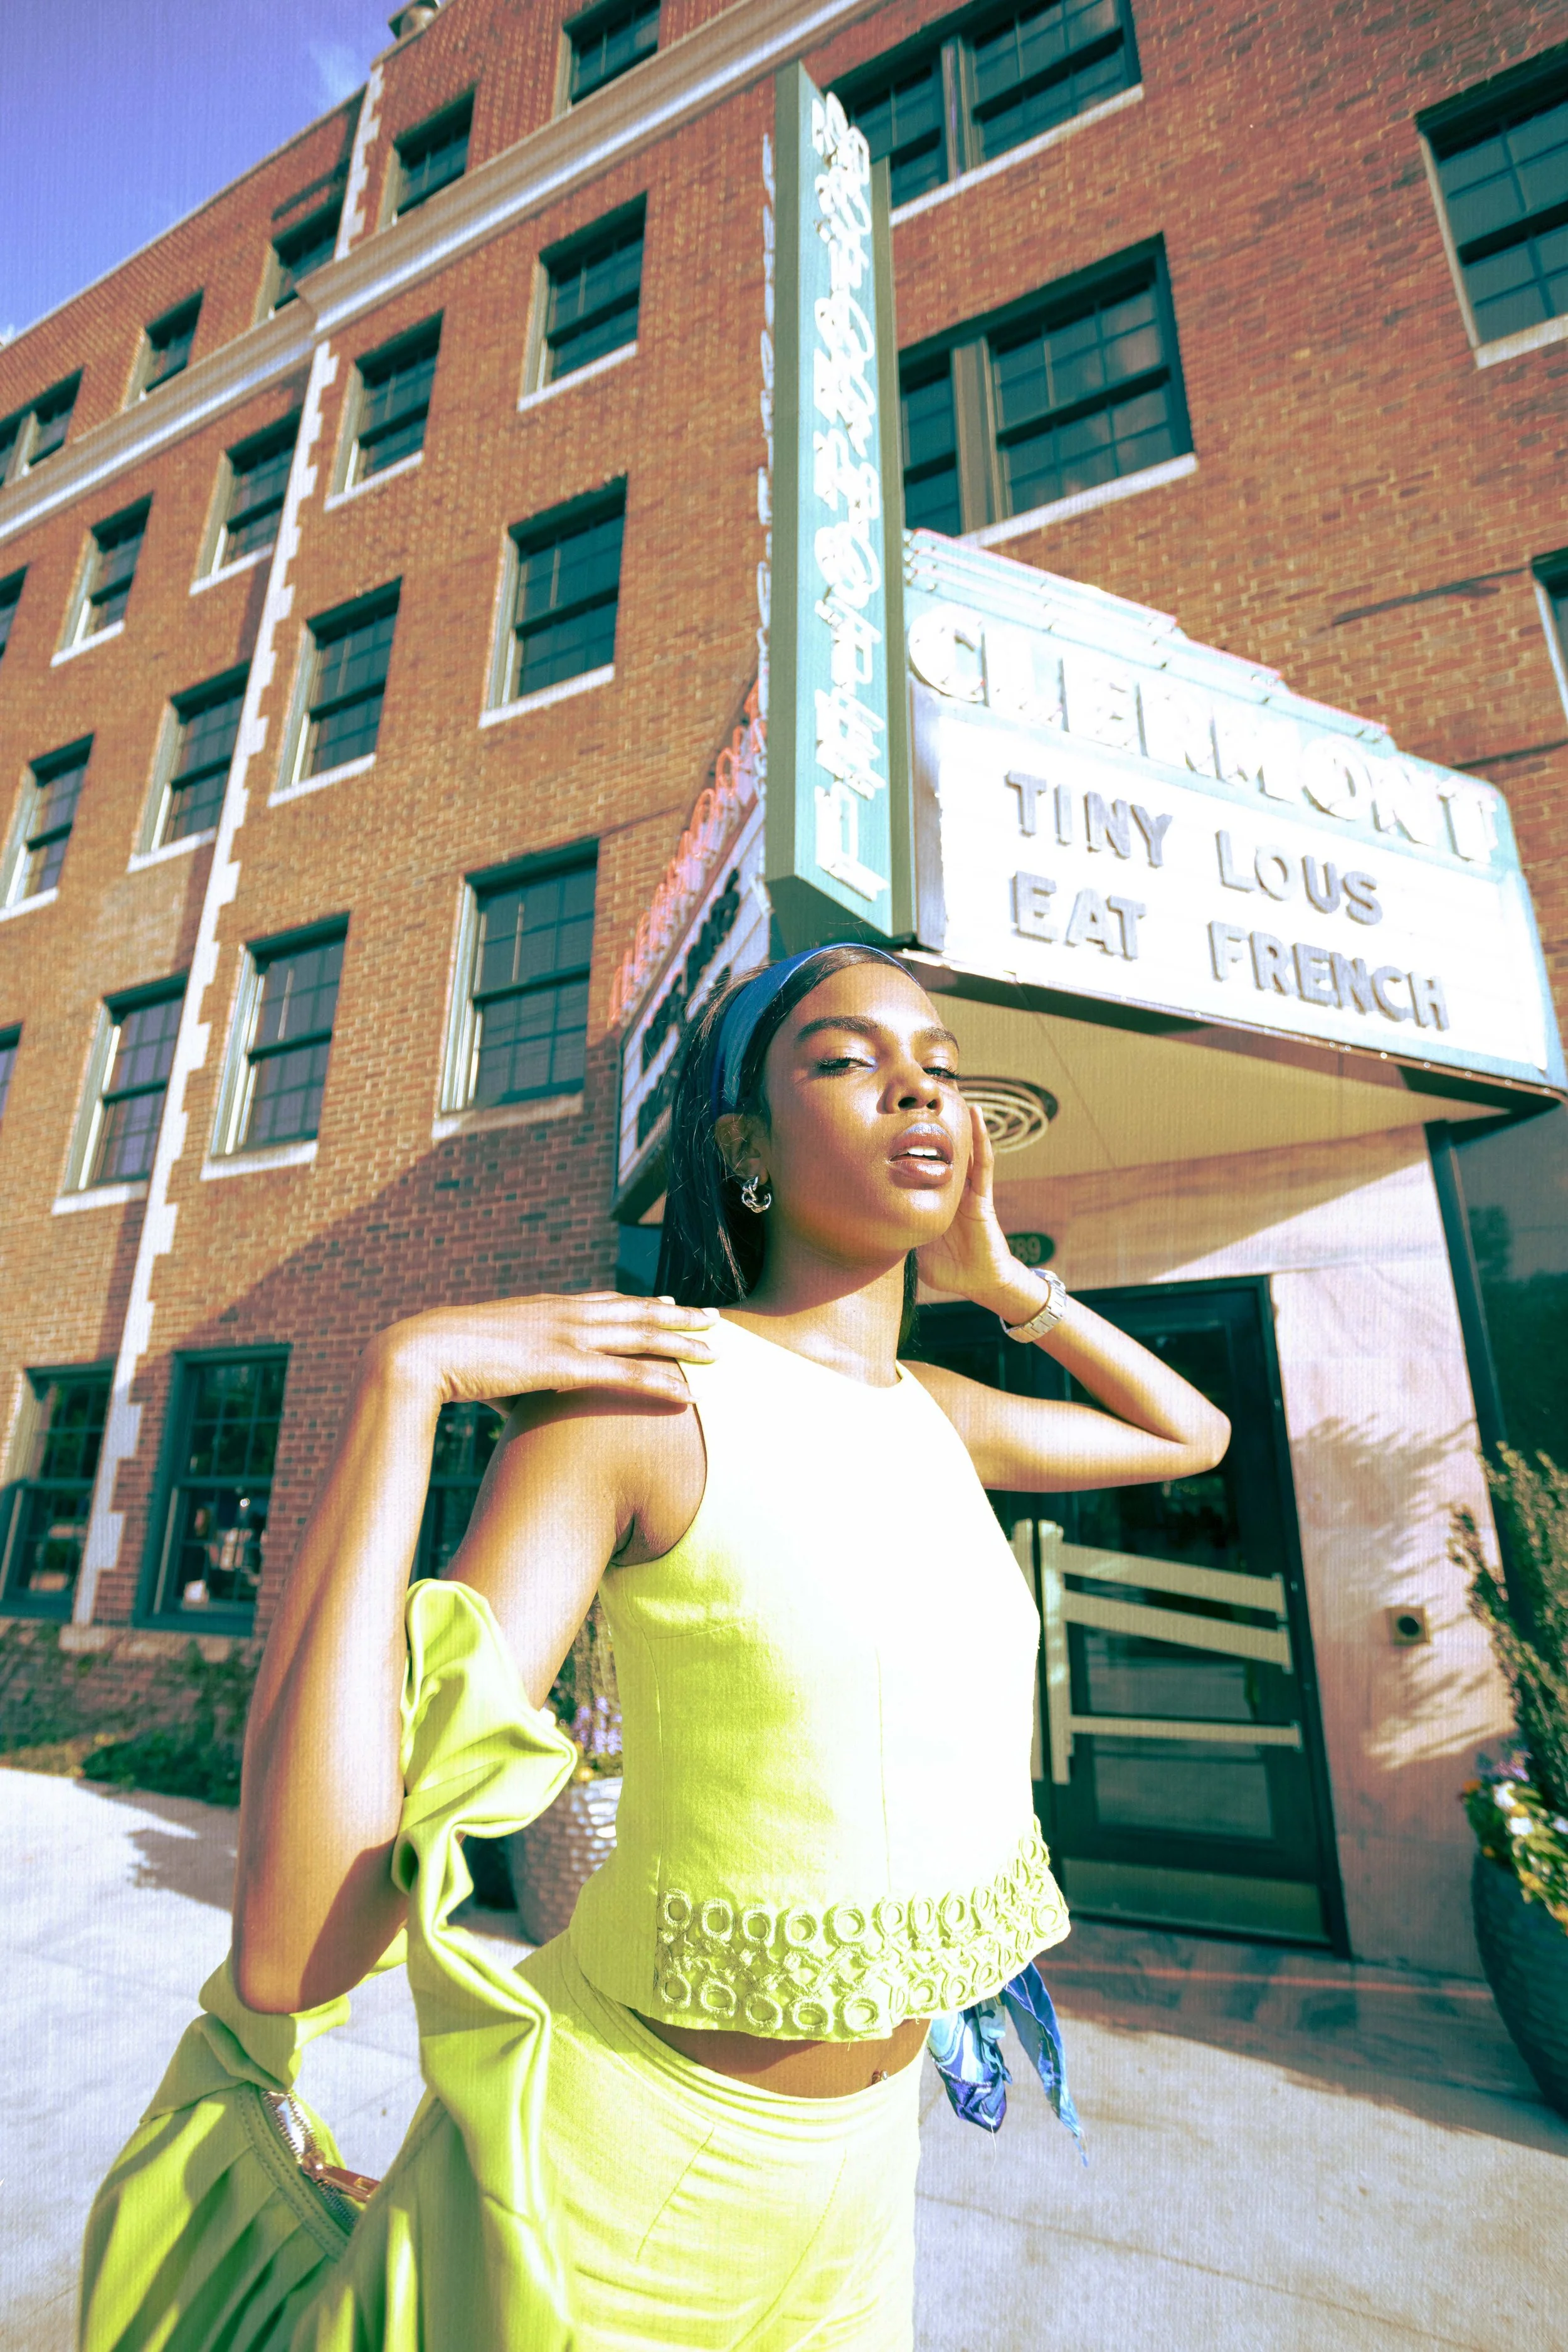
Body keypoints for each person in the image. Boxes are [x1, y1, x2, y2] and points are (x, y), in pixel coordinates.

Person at [79, 942, 1227, 2352]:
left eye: (937, 1068)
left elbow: (1192, 1436)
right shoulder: (648, 1407)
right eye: (847, 1059)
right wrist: (406, 1378)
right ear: (742, 1146)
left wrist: (1004, 1285)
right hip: (611, 2198)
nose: (915, 1091)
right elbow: (295, 1947)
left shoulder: (938, 1412)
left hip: (869, 2187)